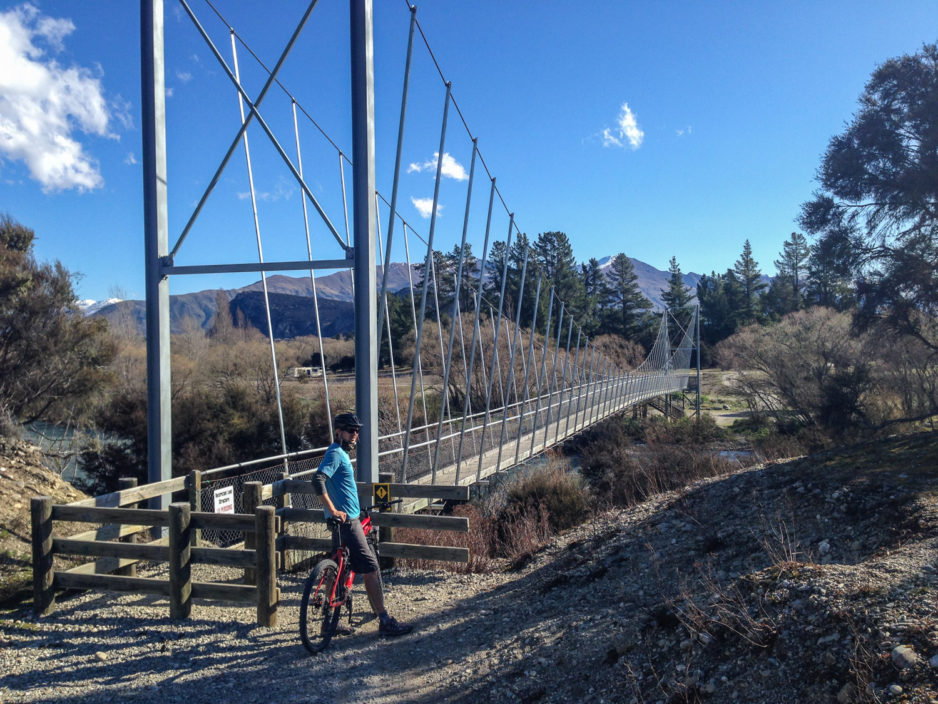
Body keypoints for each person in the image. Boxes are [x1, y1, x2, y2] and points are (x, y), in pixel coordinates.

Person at [312, 412, 412, 637]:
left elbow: (339, 487)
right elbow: (318, 480)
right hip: (347, 522)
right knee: (371, 568)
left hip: (342, 519)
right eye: (351, 430)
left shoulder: (339, 453)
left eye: (357, 431)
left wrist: (342, 510)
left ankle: (330, 621)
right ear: (339, 432)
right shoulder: (336, 453)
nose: (355, 434)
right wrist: (334, 509)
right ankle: (385, 620)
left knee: (337, 566)